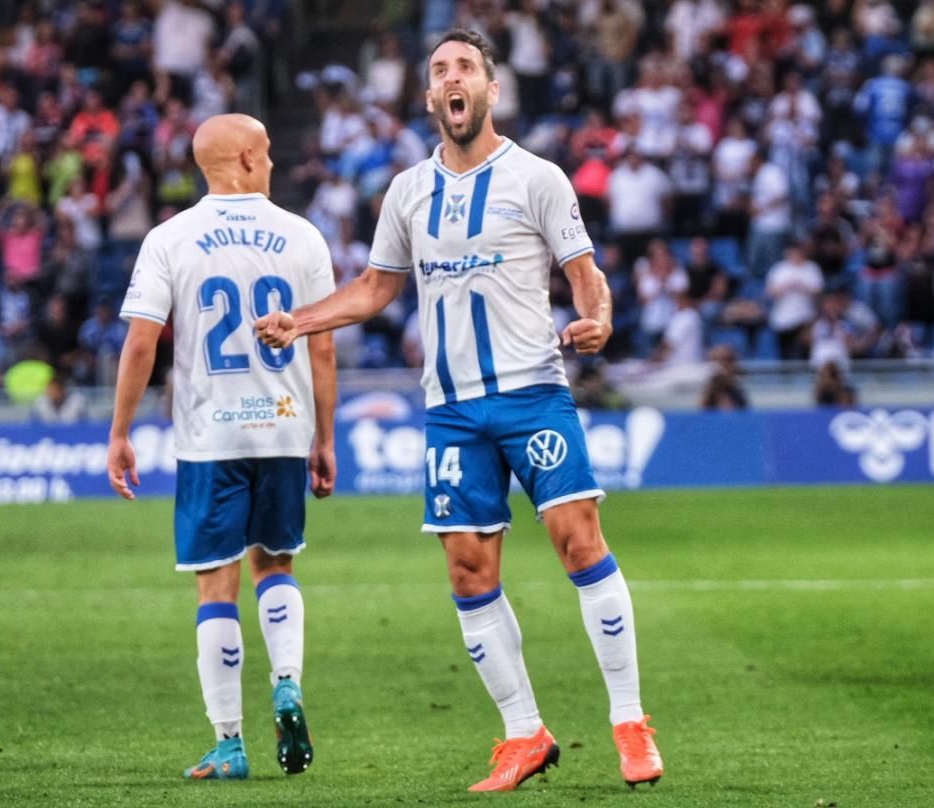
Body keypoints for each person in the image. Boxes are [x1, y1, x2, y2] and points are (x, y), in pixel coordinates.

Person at [256, 30, 663, 793]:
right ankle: (523, 735)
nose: (453, 78)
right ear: (428, 96)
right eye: (440, 69)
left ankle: (630, 720)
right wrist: (301, 319)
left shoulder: (537, 178)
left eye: (466, 67)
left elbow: (586, 272)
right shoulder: (408, 191)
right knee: (468, 566)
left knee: (579, 542)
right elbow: (376, 288)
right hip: (449, 409)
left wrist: (598, 317)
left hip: (532, 392)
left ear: (489, 89)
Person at [106, 114, 337, 783]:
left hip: (211, 437)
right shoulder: (302, 236)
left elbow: (143, 343)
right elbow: (321, 344)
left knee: (216, 583)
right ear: (240, 159)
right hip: (286, 426)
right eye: (264, 153)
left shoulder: (170, 238)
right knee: (276, 565)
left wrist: (120, 433)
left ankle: (231, 743)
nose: (270, 163)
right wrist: (324, 437)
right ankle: (287, 682)